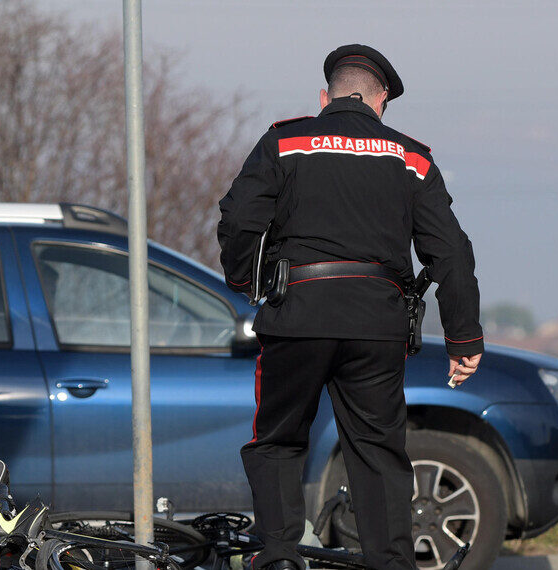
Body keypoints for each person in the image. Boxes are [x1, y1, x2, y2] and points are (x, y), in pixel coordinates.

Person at [217, 44, 484, 570]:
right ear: (380, 101)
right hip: (377, 327)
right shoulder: (411, 156)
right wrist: (464, 339)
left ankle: (277, 557)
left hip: (297, 318)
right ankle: (392, 563)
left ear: (325, 97)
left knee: (277, 440)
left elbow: (239, 218)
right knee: (378, 453)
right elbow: (451, 250)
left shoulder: (284, 142)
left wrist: (248, 278)